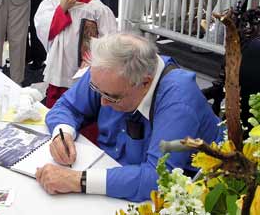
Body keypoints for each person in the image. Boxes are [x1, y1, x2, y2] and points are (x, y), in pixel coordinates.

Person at [35, 33, 223, 202]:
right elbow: (66, 106)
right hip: (112, 174)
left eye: (112, 97)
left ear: (145, 83)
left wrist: (77, 180)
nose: (102, 103)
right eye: (96, 90)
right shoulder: (107, 72)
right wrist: (63, 133)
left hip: (183, 195)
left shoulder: (179, 101)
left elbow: (157, 178)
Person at [34, 0, 116, 108]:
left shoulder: (97, 8)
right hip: (59, 71)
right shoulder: (52, 3)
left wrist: (94, 59)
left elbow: (109, 40)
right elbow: (45, 31)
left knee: (84, 110)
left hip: (85, 71)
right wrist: (62, 9)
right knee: (56, 109)